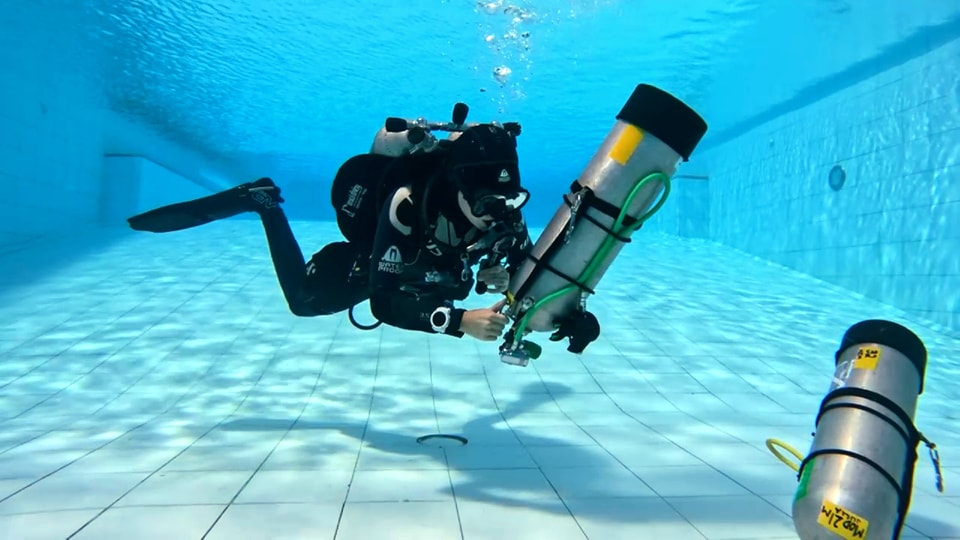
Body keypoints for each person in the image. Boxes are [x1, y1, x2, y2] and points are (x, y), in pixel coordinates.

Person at [127, 122, 534, 342]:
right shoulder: (407, 204)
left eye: (509, 199)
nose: (497, 214)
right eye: (486, 204)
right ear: (458, 187)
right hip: (377, 256)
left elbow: (532, 272)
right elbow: (384, 304)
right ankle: (263, 203)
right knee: (303, 302)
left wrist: (554, 311)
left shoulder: (505, 214)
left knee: (451, 285)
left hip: (428, 267)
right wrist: (459, 322)